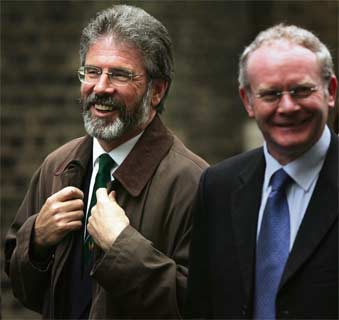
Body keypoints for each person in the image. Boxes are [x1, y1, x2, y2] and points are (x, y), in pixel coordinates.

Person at [5, 5, 208, 319]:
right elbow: (25, 290)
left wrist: (122, 247)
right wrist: (37, 240)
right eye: (92, 71)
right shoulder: (57, 166)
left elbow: (200, 307)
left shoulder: (195, 183)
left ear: (157, 90)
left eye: (120, 74)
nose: (100, 87)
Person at [186, 24, 338, 319]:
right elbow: (201, 306)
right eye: (270, 94)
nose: (288, 106)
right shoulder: (217, 187)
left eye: (301, 90)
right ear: (248, 101)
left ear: (330, 91)